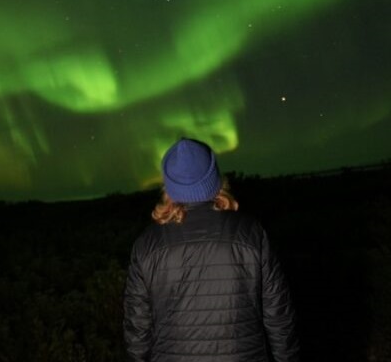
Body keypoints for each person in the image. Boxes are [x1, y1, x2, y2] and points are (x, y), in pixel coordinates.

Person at [123, 138, 301, 362]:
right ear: (215, 181)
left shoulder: (146, 245)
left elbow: (137, 332)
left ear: (169, 189)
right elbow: (279, 319)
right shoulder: (251, 233)